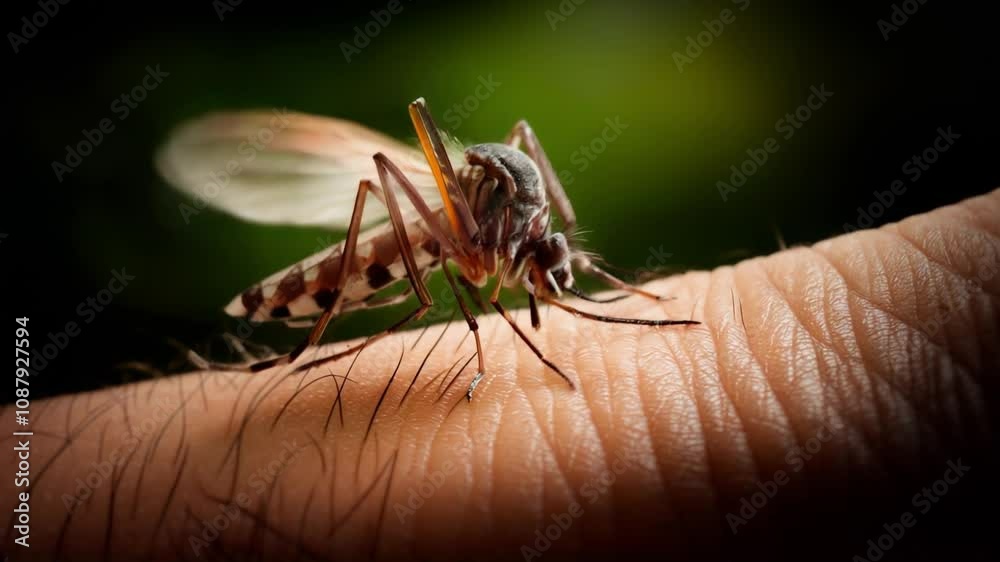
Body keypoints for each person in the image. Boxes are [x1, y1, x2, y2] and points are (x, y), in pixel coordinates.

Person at [4, 188, 997, 561]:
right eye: (552, 265)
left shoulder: (522, 230)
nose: (551, 276)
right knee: (424, 237)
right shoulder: (477, 230)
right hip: (394, 247)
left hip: (469, 234)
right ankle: (313, 333)